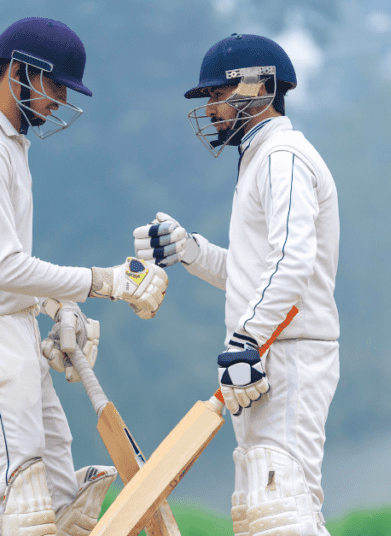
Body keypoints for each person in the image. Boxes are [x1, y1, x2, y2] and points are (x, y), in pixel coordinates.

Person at [0, 17, 168, 536]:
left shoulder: (9, 144)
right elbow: (3, 268)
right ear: (19, 71)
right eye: (55, 85)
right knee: (18, 516)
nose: (60, 100)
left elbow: (2, 267)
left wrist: (57, 307)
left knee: (62, 508)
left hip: (11, 330)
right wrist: (103, 282)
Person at [133, 33, 340, 535]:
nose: (210, 109)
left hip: (287, 353)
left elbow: (292, 261)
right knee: (261, 511)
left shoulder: (282, 156)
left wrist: (247, 340)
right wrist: (190, 252)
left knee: (280, 510)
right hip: (265, 352)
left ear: (257, 90)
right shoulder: (260, 158)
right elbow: (254, 274)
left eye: (216, 96)